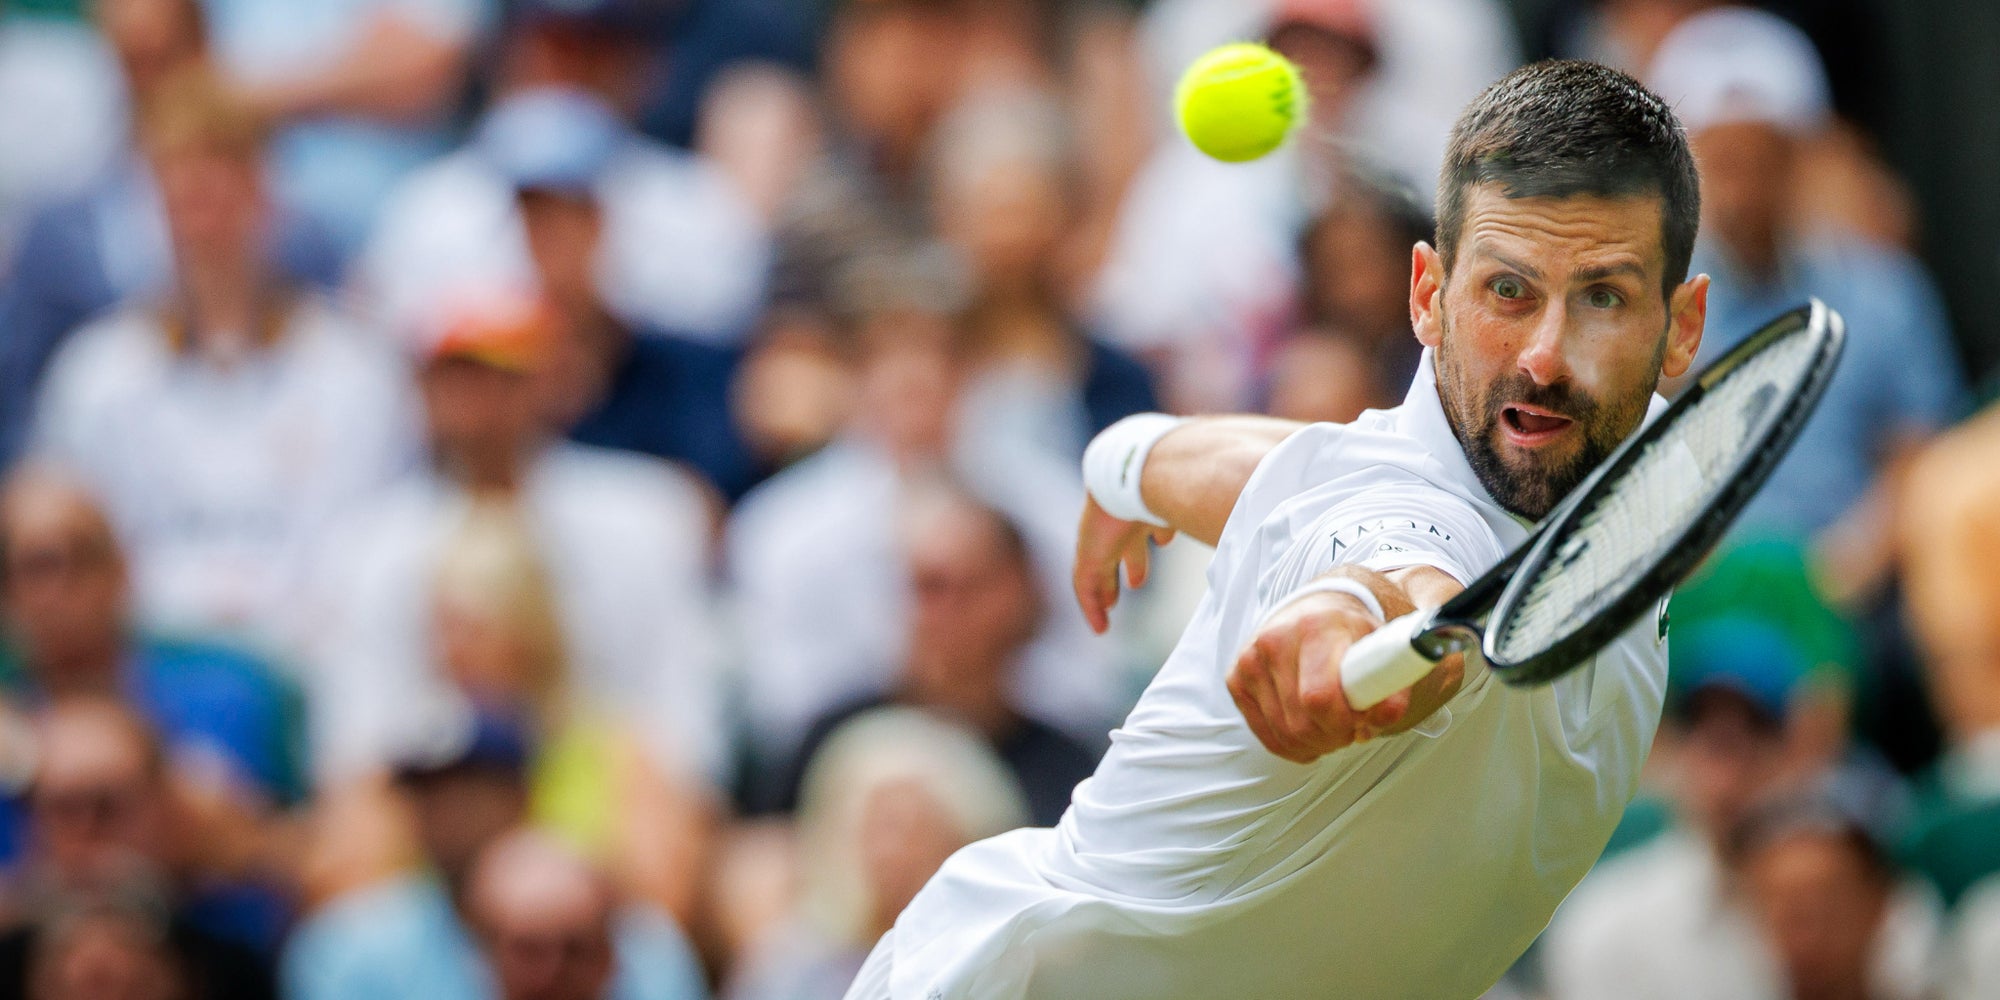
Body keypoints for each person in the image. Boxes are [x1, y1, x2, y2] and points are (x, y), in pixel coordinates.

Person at [845, 60, 1709, 999]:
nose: (1546, 356)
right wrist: (1340, 620)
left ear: (1682, 328)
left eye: (1605, 297)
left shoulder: (1631, 460)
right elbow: (1388, 559)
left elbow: (1297, 474)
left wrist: (1136, 461)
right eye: (1508, 291)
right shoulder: (1393, 517)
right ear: (1427, 294)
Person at [26, 68, 417, 659]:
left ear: (266, 195)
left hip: (313, 661)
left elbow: (372, 553)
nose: (205, 220)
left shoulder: (356, 372)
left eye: (222, 190)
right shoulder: (97, 375)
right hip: (146, 666)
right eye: (183, 195)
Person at [284, 713, 707, 1000]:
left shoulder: (645, 944)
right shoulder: (344, 946)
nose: (447, 816)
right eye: (428, 793)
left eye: (469, 792)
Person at [766, 486, 1100, 827]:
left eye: (958, 588)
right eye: (921, 589)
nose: (933, 613)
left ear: (1020, 595)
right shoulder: (835, 742)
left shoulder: (1069, 772)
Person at [0, 467, 302, 809]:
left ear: (122, 568)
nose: (60, 585)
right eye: (38, 566)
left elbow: (302, 845)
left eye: (83, 556)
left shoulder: (227, 698)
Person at [727, 709, 1028, 1000]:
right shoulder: (794, 963)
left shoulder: (998, 957)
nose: (891, 853)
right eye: (878, 829)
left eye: (914, 833)